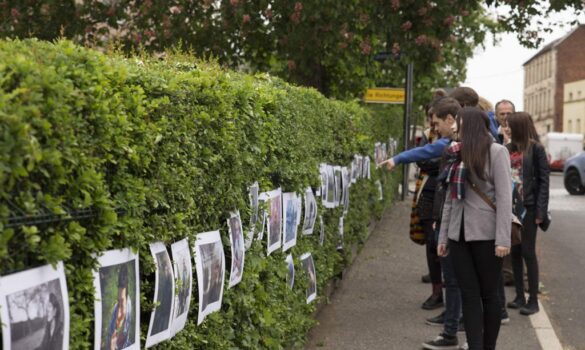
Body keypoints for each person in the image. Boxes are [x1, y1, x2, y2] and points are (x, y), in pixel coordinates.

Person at [383, 97, 464, 348]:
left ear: (451, 120)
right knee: (456, 278)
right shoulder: (461, 143)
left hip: (459, 223)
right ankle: (453, 328)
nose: (435, 128)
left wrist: (397, 159)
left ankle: (456, 330)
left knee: (457, 279)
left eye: (437, 122)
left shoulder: (455, 145)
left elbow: (427, 152)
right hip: (453, 220)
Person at [437, 107, 512, 350]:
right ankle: (475, 345)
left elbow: (504, 198)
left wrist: (504, 239)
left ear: (468, 126)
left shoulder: (497, 152)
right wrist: (444, 237)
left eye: (458, 124)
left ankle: (488, 346)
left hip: (487, 235)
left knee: (489, 296)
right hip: (458, 235)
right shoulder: (455, 153)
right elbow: (450, 198)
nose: (455, 128)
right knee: (469, 296)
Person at [504, 112, 550, 315]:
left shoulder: (536, 149)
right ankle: (519, 296)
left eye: (509, 125)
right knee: (514, 251)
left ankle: (533, 300)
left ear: (519, 127)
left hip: (529, 208)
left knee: (528, 252)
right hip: (510, 208)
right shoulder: (506, 149)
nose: (506, 128)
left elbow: (543, 182)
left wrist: (540, 211)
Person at [107, 264, 133, 350]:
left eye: (122, 305)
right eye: (118, 303)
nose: (118, 313)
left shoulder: (131, 342)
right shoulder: (112, 325)